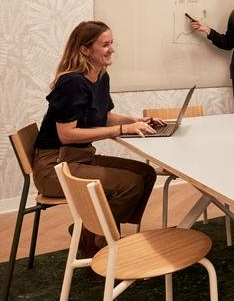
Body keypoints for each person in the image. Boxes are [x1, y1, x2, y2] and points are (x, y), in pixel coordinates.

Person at [33, 21, 157, 258]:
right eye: (105, 44)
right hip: (54, 167)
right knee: (130, 184)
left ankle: (93, 233)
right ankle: (97, 239)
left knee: (146, 174)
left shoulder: (101, 76)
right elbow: (66, 134)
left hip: (78, 158)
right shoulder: (72, 82)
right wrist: (121, 130)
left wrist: (138, 120)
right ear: (84, 50)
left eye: (112, 43)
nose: (111, 49)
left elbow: (105, 116)